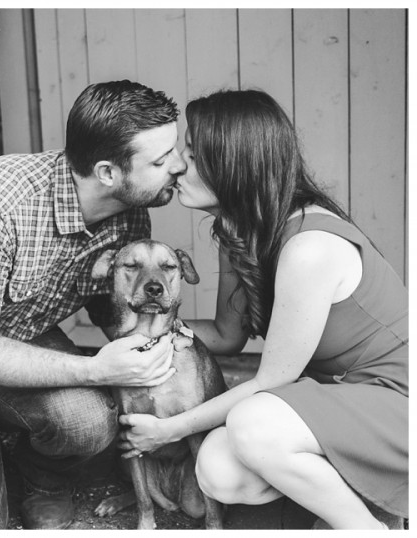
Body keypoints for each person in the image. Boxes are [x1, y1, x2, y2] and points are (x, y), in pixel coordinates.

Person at [0, 80, 190, 529]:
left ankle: (40, 475)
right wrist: (96, 371)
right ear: (107, 172)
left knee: (89, 423)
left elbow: (110, 306)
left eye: (173, 150)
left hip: (21, 333)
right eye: (161, 160)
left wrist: (165, 355)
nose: (179, 165)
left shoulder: (129, 214)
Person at [117, 89, 408, 529]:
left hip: (396, 402)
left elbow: (272, 381)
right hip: (334, 399)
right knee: (216, 469)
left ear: (232, 165)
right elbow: (226, 334)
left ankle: (366, 528)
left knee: (252, 424)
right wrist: (141, 332)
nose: (176, 165)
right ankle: (357, 500)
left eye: (191, 154)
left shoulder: (309, 247)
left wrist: (169, 430)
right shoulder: (239, 234)